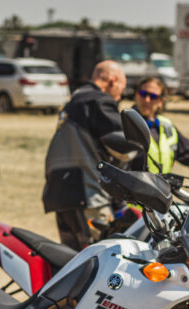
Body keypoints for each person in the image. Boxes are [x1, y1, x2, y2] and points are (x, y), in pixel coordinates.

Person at [42, 60, 130, 251]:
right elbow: (123, 147)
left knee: (72, 260)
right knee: (101, 256)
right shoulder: (99, 100)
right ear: (112, 81)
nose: (120, 95)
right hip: (87, 195)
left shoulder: (74, 100)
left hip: (60, 193)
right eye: (122, 88)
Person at [133, 77, 189, 173]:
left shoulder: (167, 126)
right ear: (136, 95)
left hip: (162, 186)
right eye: (143, 94)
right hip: (132, 186)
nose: (147, 100)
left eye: (153, 96)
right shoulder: (125, 123)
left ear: (160, 102)